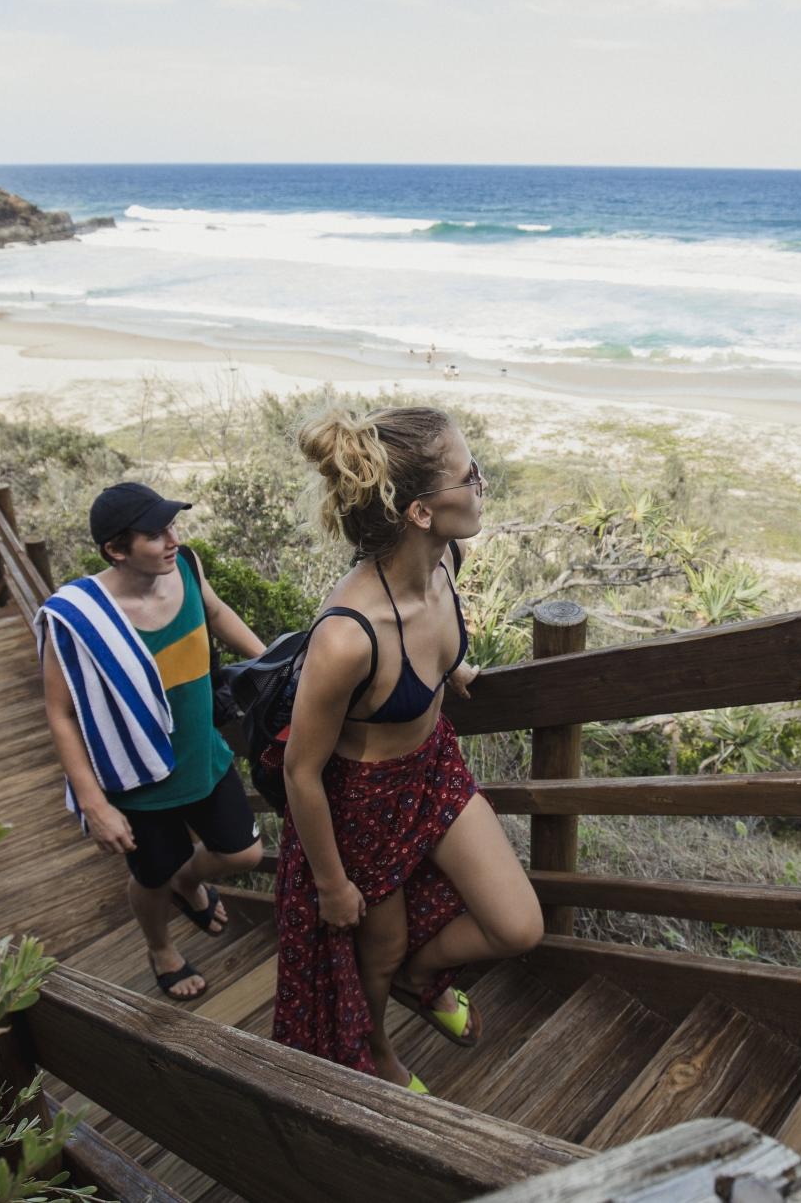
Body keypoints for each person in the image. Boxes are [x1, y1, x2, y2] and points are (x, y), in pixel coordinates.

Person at [269, 406, 542, 1094]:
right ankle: (379, 1050)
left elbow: (426, 640)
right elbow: (301, 771)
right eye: (468, 475)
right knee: (378, 949)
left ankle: (422, 977)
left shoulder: (445, 559)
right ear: (421, 511)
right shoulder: (347, 636)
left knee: (519, 926)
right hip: (366, 805)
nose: (481, 484)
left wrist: (452, 669)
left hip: (433, 769)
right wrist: (332, 885)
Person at [36, 482, 268, 1001]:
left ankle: (188, 880)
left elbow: (215, 612)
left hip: (203, 757)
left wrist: (271, 665)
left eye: (172, 526)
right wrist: (95, 805)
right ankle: (160, 947)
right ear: (116, 550)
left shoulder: (186, 566)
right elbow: (60, 712)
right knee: (151, 877)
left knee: (245, 853)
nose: (173, 539)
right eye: (156, 534)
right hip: (138, 780)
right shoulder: (80, 619)